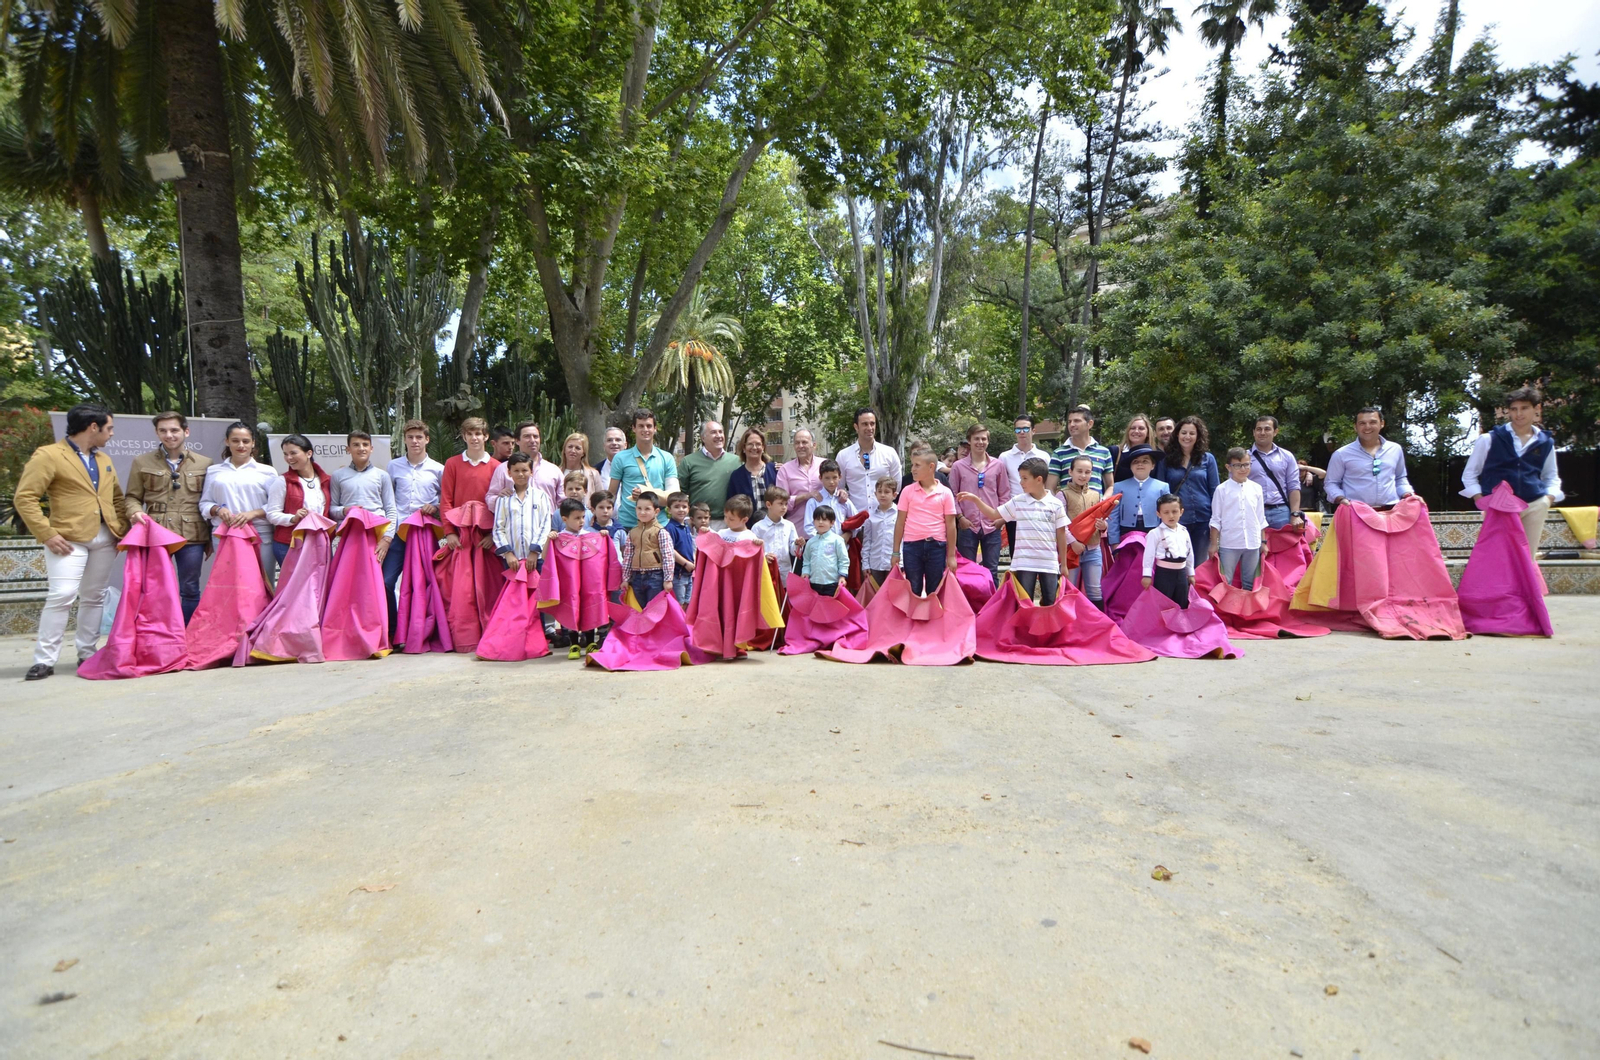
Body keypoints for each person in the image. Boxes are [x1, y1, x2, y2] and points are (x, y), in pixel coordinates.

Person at [14, 403, 127, 680]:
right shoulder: (49, 455)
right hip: (67, 538)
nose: (111, 434)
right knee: (62, 595)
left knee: (94, 596)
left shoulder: (103, 459)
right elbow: (24, 498)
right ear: (93, 427)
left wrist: (122, 528)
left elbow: (116, 499)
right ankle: (44, 659)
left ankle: (87, 653)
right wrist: (47, 533)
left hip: (105, 537)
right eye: (108, 428)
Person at [124, 411, 212, 624]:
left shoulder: (205, 463)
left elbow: (209, 501)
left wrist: (211, 538)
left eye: (174, 430)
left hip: (192, 534)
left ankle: (187, 637)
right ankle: (159, 636)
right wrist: (135, 511)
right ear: (157, 433)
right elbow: (132, 497)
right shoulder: (141, 461)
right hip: (155, 532)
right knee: (154, 587)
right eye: (163, 431)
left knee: (190, 588)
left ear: (186, 431)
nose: (169, 435)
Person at [1461, 386, 1564, 559]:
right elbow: (1470, 474)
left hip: (1534, 504)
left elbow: (1551, 476)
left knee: (1526, 558)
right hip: (1498, 506)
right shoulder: (1490, 439)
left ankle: (1525, 588)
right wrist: (1481, 500)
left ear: (1536, 409)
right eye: (1514, 409)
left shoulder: (1545, 442)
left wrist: (1548, 499)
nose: (1519, 414)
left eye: (1524, 408)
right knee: (1498, 557)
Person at [959, 456, 1072, 605]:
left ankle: (1048, 629)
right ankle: (1026, 629)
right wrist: (976, 500)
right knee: (1025, 603)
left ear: (1039, 479)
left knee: (1051, 602)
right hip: (1024, 562)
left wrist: (1063, 564)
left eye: (1025, 478)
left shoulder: (1056, 504)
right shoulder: (1018, 501)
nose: (1021, 482)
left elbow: (1061, 534)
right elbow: (994, 514)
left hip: (1049, 563)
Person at [199, 420, 280, 583]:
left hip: (259, 534)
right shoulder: (214, 471)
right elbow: (204, 503)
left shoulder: (267, 472)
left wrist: (253, 513)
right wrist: (217, 510)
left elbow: (276, 505)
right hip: (224, 534)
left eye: (245, 441)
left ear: (253, 443)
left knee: (262, 583)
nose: (241, 445)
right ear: (227, 442)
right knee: (228, 584)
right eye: (235, 440)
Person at [385, 419, 444, 641]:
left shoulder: (438, 469)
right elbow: (388, 497)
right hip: (399, 532)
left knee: (427, 583)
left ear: (427, 440)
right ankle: (393, 631)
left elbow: (445, 499)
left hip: (424, 533)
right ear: (405, 440)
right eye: (410, 437)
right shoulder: (393, 466)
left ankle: (428, 631)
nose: (415, 441)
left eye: (419, 437)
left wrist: (435, 506)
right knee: (386, 582)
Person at [948, 423, 1011, 584]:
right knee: (967, 570)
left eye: (984, 439)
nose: (980, 442)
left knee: (992, 570)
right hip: (968, 524)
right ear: (969, 440)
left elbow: (1004, 494)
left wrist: (1002, 518)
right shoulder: (958, 467)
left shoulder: (998, 465)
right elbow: (952, 494)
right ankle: (968, 608)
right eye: (976, 438)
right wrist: (960, 517)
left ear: (988, 441)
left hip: (992, 524)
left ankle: (991, 608)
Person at [892, 447, 958, 596]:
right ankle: (914, 618)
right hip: (911, 546)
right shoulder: (907, 491)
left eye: (917, 465)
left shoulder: (945, 492)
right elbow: (900, 522)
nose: (913, 469)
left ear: (931, 467)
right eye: (912, 465)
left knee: (935, 589)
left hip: (937, 546)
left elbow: (951, 525)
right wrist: (895, 552)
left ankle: (932, 618)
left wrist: (951, 555)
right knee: (912, 587)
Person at [330, 431, 398, 569]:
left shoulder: (382, 476)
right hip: (350, 534)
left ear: (371, 449)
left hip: (377, 534)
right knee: (351, 576)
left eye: (365, 444)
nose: (361, 448)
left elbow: (390, 508)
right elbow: (332, 509)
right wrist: (345, 510)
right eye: (356, 445)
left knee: (373, 576)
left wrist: (387, 538)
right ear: (348, 449)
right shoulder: (338, 475)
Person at [265, 433, 333, 569]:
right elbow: (272, 514)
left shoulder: (327, 480)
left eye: (293, 453)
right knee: (295, 589)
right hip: (289, 544)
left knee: (322, 587)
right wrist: (293, 518)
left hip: (320, 544)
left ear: (309, 453)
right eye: (285, 454)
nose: (289, 458)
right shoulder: (282, 481)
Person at [1325, 407, 1412, 509]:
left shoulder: (1395, 449)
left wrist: (1408, 495)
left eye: (1373, 422)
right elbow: (1331, 483)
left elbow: (1400, 478)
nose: (1367, 427)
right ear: (1355, 427)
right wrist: (1340, 498)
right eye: (1362, 423)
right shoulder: (1341, 454)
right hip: (1355, 512)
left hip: (1391, 511)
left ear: (1382, 423)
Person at [608, 408, 680, 529]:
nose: (645, 430)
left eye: (649, 426)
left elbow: (673, 496)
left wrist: (646, 493)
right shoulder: (620, 458)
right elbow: (611, 494)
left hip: (658, 525)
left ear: (655, 429)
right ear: (634, 428)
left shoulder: (667, 458)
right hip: (628, 525)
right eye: (641, 426)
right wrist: (604, 518)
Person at [1209, 448, 1269, 590]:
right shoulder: (1222, 489)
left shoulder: (1256, 488)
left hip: (1252, 542)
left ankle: (1246, 611)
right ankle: (1226, 611)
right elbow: (1216, 519)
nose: (1243, 469)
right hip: (1229, 543)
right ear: (1228, 467)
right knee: (1226, 580)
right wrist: (1213, 544)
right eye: (1238, 465)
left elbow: (1261, 518)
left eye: (1246, 464)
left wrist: (1263, 542)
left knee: (1249, 582)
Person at [1162, 415, 1220, 560]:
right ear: (1177, 435)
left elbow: (1215, 491)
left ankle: (1197, 585)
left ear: (1198, 436)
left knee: (1200, 565)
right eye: (1184, 432)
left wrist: (1217, 520)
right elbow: (1162, 491)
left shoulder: (1208, 458)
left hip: (1203, 519)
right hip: (1177, 520)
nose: (1187, 436)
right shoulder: (1166, 459)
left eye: (1192, 433)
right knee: (1179, 562)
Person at [439, 417, 500, 549]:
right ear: (464, 437)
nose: (474, 438)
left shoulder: (497, 467)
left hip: (487, 534)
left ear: (486, 436)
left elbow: (502, 505)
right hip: (460, 531)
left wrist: (494, 534)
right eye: (470, 434)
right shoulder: (452, 464)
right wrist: (449, 532)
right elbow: (446, 500)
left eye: (478, 434)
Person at [492, 452, 552, 575]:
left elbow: (545, 526)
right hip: (512, 560)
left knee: (537, 592)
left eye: (524, 470)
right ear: (509, 473)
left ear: (531, 472)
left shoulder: (541, 496)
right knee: (514, 593)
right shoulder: (503, 499)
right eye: (516, 470)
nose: (520, 474)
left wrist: (534, 552)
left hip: (536, 559)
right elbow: (498, 528)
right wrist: (508, 554)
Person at [1060, 455, 1107, 605]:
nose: (1083, 475)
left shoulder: (1096, 495)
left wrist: (1103, 527)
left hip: (1093, 549)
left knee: (1095, 590)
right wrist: (1073, 542)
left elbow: (1104, 520)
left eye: (1087, 472)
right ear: (1070, 472)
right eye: (1079, 471)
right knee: (1069, 589)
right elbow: (1059, 524)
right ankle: (1069, 626)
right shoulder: (1062, 494)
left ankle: (1097, 626)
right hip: (1071, 550)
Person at [487, 420, 564, 509]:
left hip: (547, 522)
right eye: (527, 436)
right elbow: (490, 499)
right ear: (517, 440)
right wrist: (499, 499)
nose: (532, 440)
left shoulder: (553, 470)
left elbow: (563, 502)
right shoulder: (503, 469)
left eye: (535, 436)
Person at [678, 420, 740, 528]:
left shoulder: (737, 462)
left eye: (721, 432)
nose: (719, 436)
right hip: (698, 524)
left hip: (728, 523)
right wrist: (687, 518)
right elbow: (680, 493)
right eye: (713, 432)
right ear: (703, 438)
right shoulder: (688, 462)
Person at [619, 492, 677, 606]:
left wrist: (668, 580)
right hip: (636, 577)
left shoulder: (660, 531)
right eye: (639, 508)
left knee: (654, 609)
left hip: (655, 576)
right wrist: (625, 578)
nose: (642, 512)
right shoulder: (632, 532)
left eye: (647, 509)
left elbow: (668, 556)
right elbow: (628, 557)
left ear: (656, 511)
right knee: (639, 610)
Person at [837, 407, 902, 507]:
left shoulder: (889, 453)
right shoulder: (844, 455)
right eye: (864, 424)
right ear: (856, 427)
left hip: (884, 517)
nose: (870, 428)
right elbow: (838, 487)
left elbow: (896, 486)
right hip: (856, 516)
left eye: (872, 423)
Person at [1247, 416, 1305, 529]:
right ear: (1254, 432)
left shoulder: (1286, 456)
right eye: (1259, 429)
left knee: (1283, 546)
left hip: (1280, 512)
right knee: (1254, 547)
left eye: (1267, 429)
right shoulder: (1243, 458)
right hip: (1252, 512)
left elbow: (1293, 486)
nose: (1262, 432)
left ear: (1275, 432)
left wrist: (1295, 514)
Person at [1105, 446, 1169, 546]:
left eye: (1145, 461)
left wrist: (1166, 538)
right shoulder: (1119, 486)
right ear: (1130, 466)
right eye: (1135, 461)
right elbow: (1113, 515)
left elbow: (1166, 513)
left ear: (1153, 465)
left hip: (1153, 530)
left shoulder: (1162, 487)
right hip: (1126, 530)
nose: (1140, 464)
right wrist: (1114, 541)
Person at [997, 415, 1042, 549]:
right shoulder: (1004, 457)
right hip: (1015, 515)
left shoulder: (1043, 456)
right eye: (1018, 430)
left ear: (1033, 430)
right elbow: (1002, 487)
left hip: (1038, 513)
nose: (1022, 432)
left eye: (1025, 429)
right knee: (1016, 555)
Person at [1141, 495, 1195, 608]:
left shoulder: (1184, 531)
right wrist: (1147, 575)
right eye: (1166, 512)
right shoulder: (1155, 533)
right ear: (1158, 514)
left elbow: (1189, 553)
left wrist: (1190, 573)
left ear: (1181, 512)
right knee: (1163, 603)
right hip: (1164, 574)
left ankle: (1179, 625)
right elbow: (1149, 555)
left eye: (1175, 511)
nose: (1171, 516)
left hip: (1181, 574)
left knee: (1182, 601)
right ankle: (1162, 625)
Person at [1046, 406, 1114, 494]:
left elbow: (1110, 486)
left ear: (1090, 424)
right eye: (1069, 421)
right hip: (1069, 506)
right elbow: (1050, 488)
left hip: (1096, 505)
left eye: (1077, 421)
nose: (1072, 425)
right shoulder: (1059, 453)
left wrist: (1102, 501)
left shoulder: (1104, 452)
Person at [775, 428, 825, 537]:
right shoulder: (785, 470)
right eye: (797, 443)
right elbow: (780, 501)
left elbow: (835, 491)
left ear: (814, 445)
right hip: (797, 532)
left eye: (804, 442)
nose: (800, 446)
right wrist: (805, 496)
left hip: (825, 531)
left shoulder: (825, 465)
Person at [725, 427, 777, 516]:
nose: (754, 447)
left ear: (763, 447)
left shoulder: (775, 470)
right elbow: (731, 506)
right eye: (750, 444)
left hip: (774, 526)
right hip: (747, 527)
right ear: (744, 448)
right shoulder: (736, 476)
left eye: (758, 444)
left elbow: (784, 499)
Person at [861, 477, 899, 590]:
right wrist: (865, 564)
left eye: (887, 492)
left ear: (894, 495)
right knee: (876, 595)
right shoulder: (870, 516)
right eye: (880, 492)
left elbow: (905, 540)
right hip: (876, 562)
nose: (882, 495)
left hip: (895, 563)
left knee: (893, 593)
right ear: (875, 493)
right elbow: (867, 541)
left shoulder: (900, 515)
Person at [802, 459, 855, 540]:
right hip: (821, 547)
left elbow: (856, 521)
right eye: (827, 478)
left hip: (842, 546)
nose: (831, 482)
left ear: (840, 477)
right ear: (820, 478)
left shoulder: (844, 500)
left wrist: (848, 534)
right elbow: (809, 527)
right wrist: (824, 539)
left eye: (834, 477)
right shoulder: (814, 501)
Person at [802, 506, 850, 597]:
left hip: (832, 584)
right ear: (813, 521)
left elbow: (843, 560)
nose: (820, 522)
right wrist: (805, 573)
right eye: (817, 519)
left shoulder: (837, 540)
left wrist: (842, 576)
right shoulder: (810, 542)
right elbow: (806, 561)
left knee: (830, 609)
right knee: (815, 609)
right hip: (813, 584)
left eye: (824, 519)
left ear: (832, 523)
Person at [665, 492, 698, 608]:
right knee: (678, 603)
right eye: (676, 507)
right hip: (678, 573)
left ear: (688, 509)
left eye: (684, 507)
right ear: (669, 510)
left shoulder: (686, 527)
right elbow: (670, 550)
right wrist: (685, 563)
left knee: (687, 602)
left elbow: (689, 547)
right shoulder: (670, 528)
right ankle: (679, 625)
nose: (681, 510)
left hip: (688, 573)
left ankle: (685, 625)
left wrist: (693, 560)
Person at [1110, 414, 1164, 482]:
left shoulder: (1155, 453)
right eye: (1132, 428)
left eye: (1141, 428)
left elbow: (1159, 480)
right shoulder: (1115, 452)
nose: (1136, 431)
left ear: (1148, 433)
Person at [753, 486, 799, 564]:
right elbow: (752, 550)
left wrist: (797, 544)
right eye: (780, 504)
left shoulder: (789, 525)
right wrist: (764, 555)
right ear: (768, 504)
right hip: (766, 570)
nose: (784, 507)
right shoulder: (758, 527)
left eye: (786, 504)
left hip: (784, 571)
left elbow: (794, 552)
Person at [558, 432, 606, 501]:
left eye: (577, 448)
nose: (573, 450)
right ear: (564, 450)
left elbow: (601, 500)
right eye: (570, 447)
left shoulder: (593, 474)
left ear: (583, 453)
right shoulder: (556, 472)